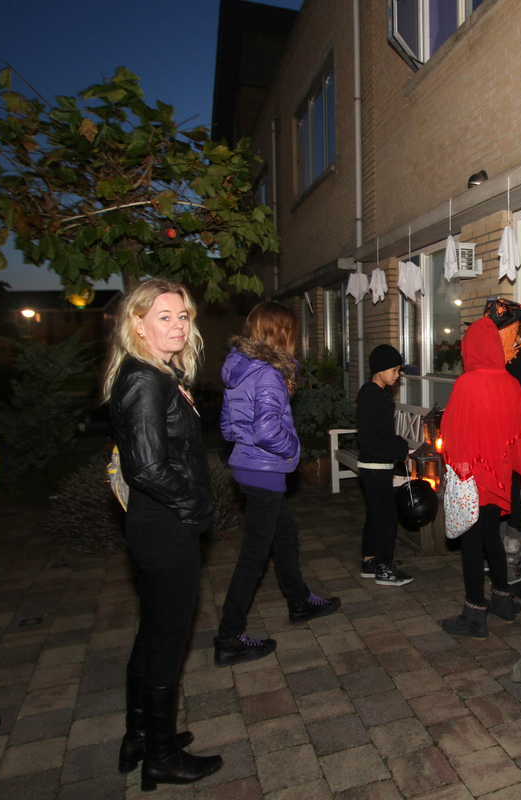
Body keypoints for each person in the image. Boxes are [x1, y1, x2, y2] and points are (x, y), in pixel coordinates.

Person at [103, 279, 224, 791]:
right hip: (165, 526)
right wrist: (197, 504)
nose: (178, 325)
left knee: (153, 634)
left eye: (183, 316)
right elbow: (148, 468)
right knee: (166, 641)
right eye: (164, 316)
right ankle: (161, 756)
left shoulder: (156, 373)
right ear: (137, 324)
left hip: (158, 524)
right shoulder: (143, 380)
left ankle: (141, 736)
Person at [215, 301, 341, 666]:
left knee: (285, 535)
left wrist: (246, 448)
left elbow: (226, 425)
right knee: (254, 556)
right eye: (293, 331)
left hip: (247, 466)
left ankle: (299, 601)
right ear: (281, 333)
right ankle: (228, 638)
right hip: (264, 471)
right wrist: (293, 452)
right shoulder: (268, 373)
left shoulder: (239, 369)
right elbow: (268, 430)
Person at [439, 316, 521, 638]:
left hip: (473, 478)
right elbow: (519, 432)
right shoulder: (511, 384)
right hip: (499, 478)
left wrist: (457, 468)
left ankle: (475, 614)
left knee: (471, 544)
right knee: (491, 537)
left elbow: (451, 433)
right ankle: (502, 600)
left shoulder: (466, 384)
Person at [483, 298, 521, 585]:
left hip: (510, 434)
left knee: (512, 497)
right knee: (491, 495)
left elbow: (510, 394)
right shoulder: (487, 356)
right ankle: (494, 553)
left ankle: (515, 561)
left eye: (499, 328)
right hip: (486, 435)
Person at [356, 344, 414, 586]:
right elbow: (373, 437)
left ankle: (370, 560)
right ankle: (384, 567)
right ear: (380, 369)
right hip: (375, 465)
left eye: (398, 370)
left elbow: (384, 433)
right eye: (394, 370)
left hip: (376, 464)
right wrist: (399, 450)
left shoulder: (378, 393)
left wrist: (400, 447)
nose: (397, 375)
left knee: (375, 513)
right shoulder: (372, 396)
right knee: (387, 516)